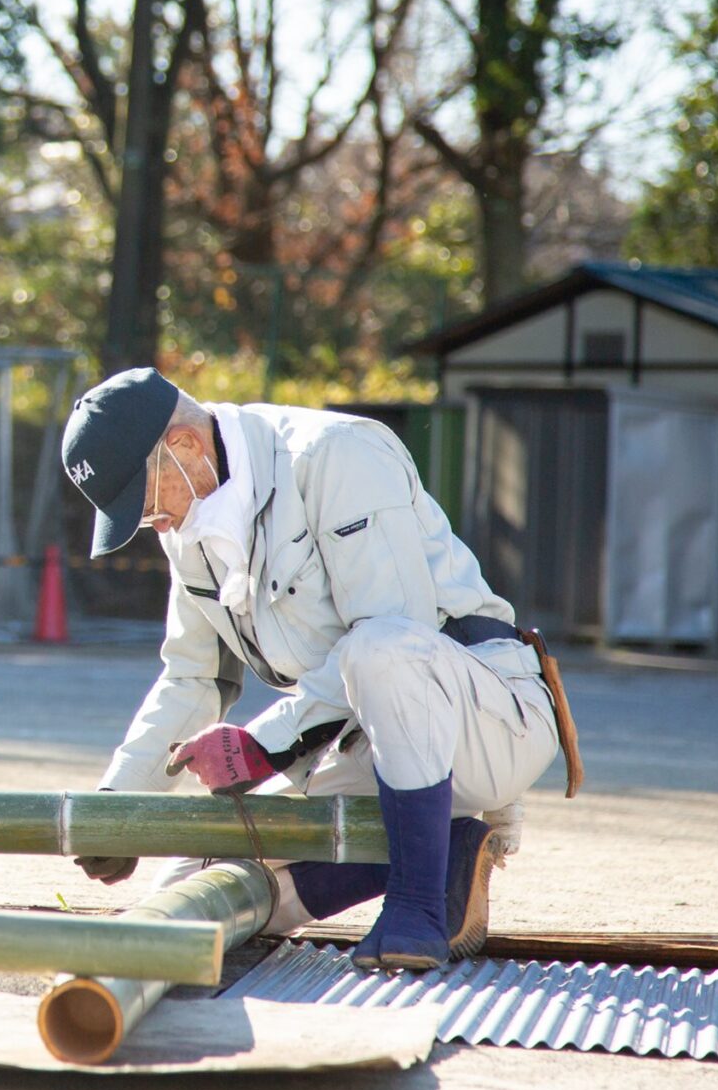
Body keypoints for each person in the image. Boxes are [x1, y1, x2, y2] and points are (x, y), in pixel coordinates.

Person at [59, 367, 581, 970]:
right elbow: (193, 678)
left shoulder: (338, 455)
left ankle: (418, 906)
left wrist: (263, 742)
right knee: (194, 896)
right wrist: (118, 807)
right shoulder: (190, 518)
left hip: (482, 724)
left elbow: (394, 637)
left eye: (144, 502)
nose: (152, 522)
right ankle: (449, 849)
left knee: (378, 648)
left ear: (185, 445)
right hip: (352, 743)